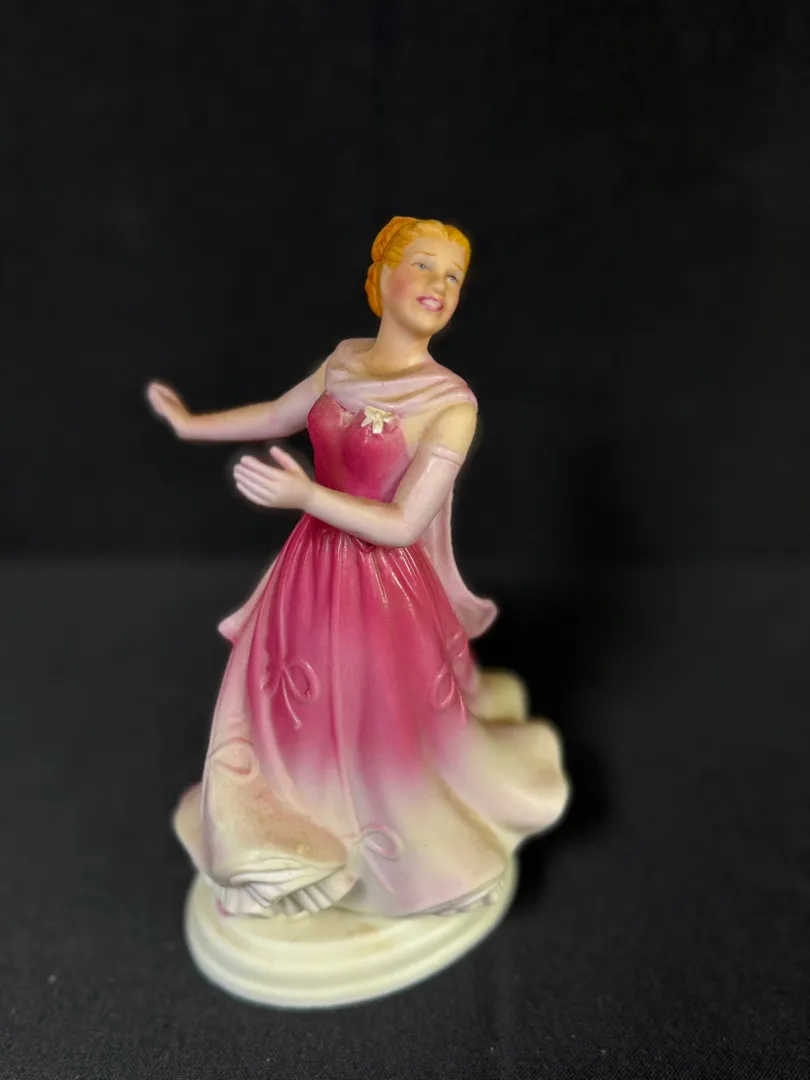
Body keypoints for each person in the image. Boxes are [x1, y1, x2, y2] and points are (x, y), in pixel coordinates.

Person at [146, 216, 568, 921]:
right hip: (308, 572)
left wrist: (307, 496)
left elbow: (403, 524)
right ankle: (295, 825)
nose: (439, 285)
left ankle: (395, 859)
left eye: (454, 277)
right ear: (382, 276)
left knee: (372, 718)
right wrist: (192, 424)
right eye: (424, 265)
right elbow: (278, 414)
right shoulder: (343, 361)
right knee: (288, 704)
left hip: (380, 590)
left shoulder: (450, 406)